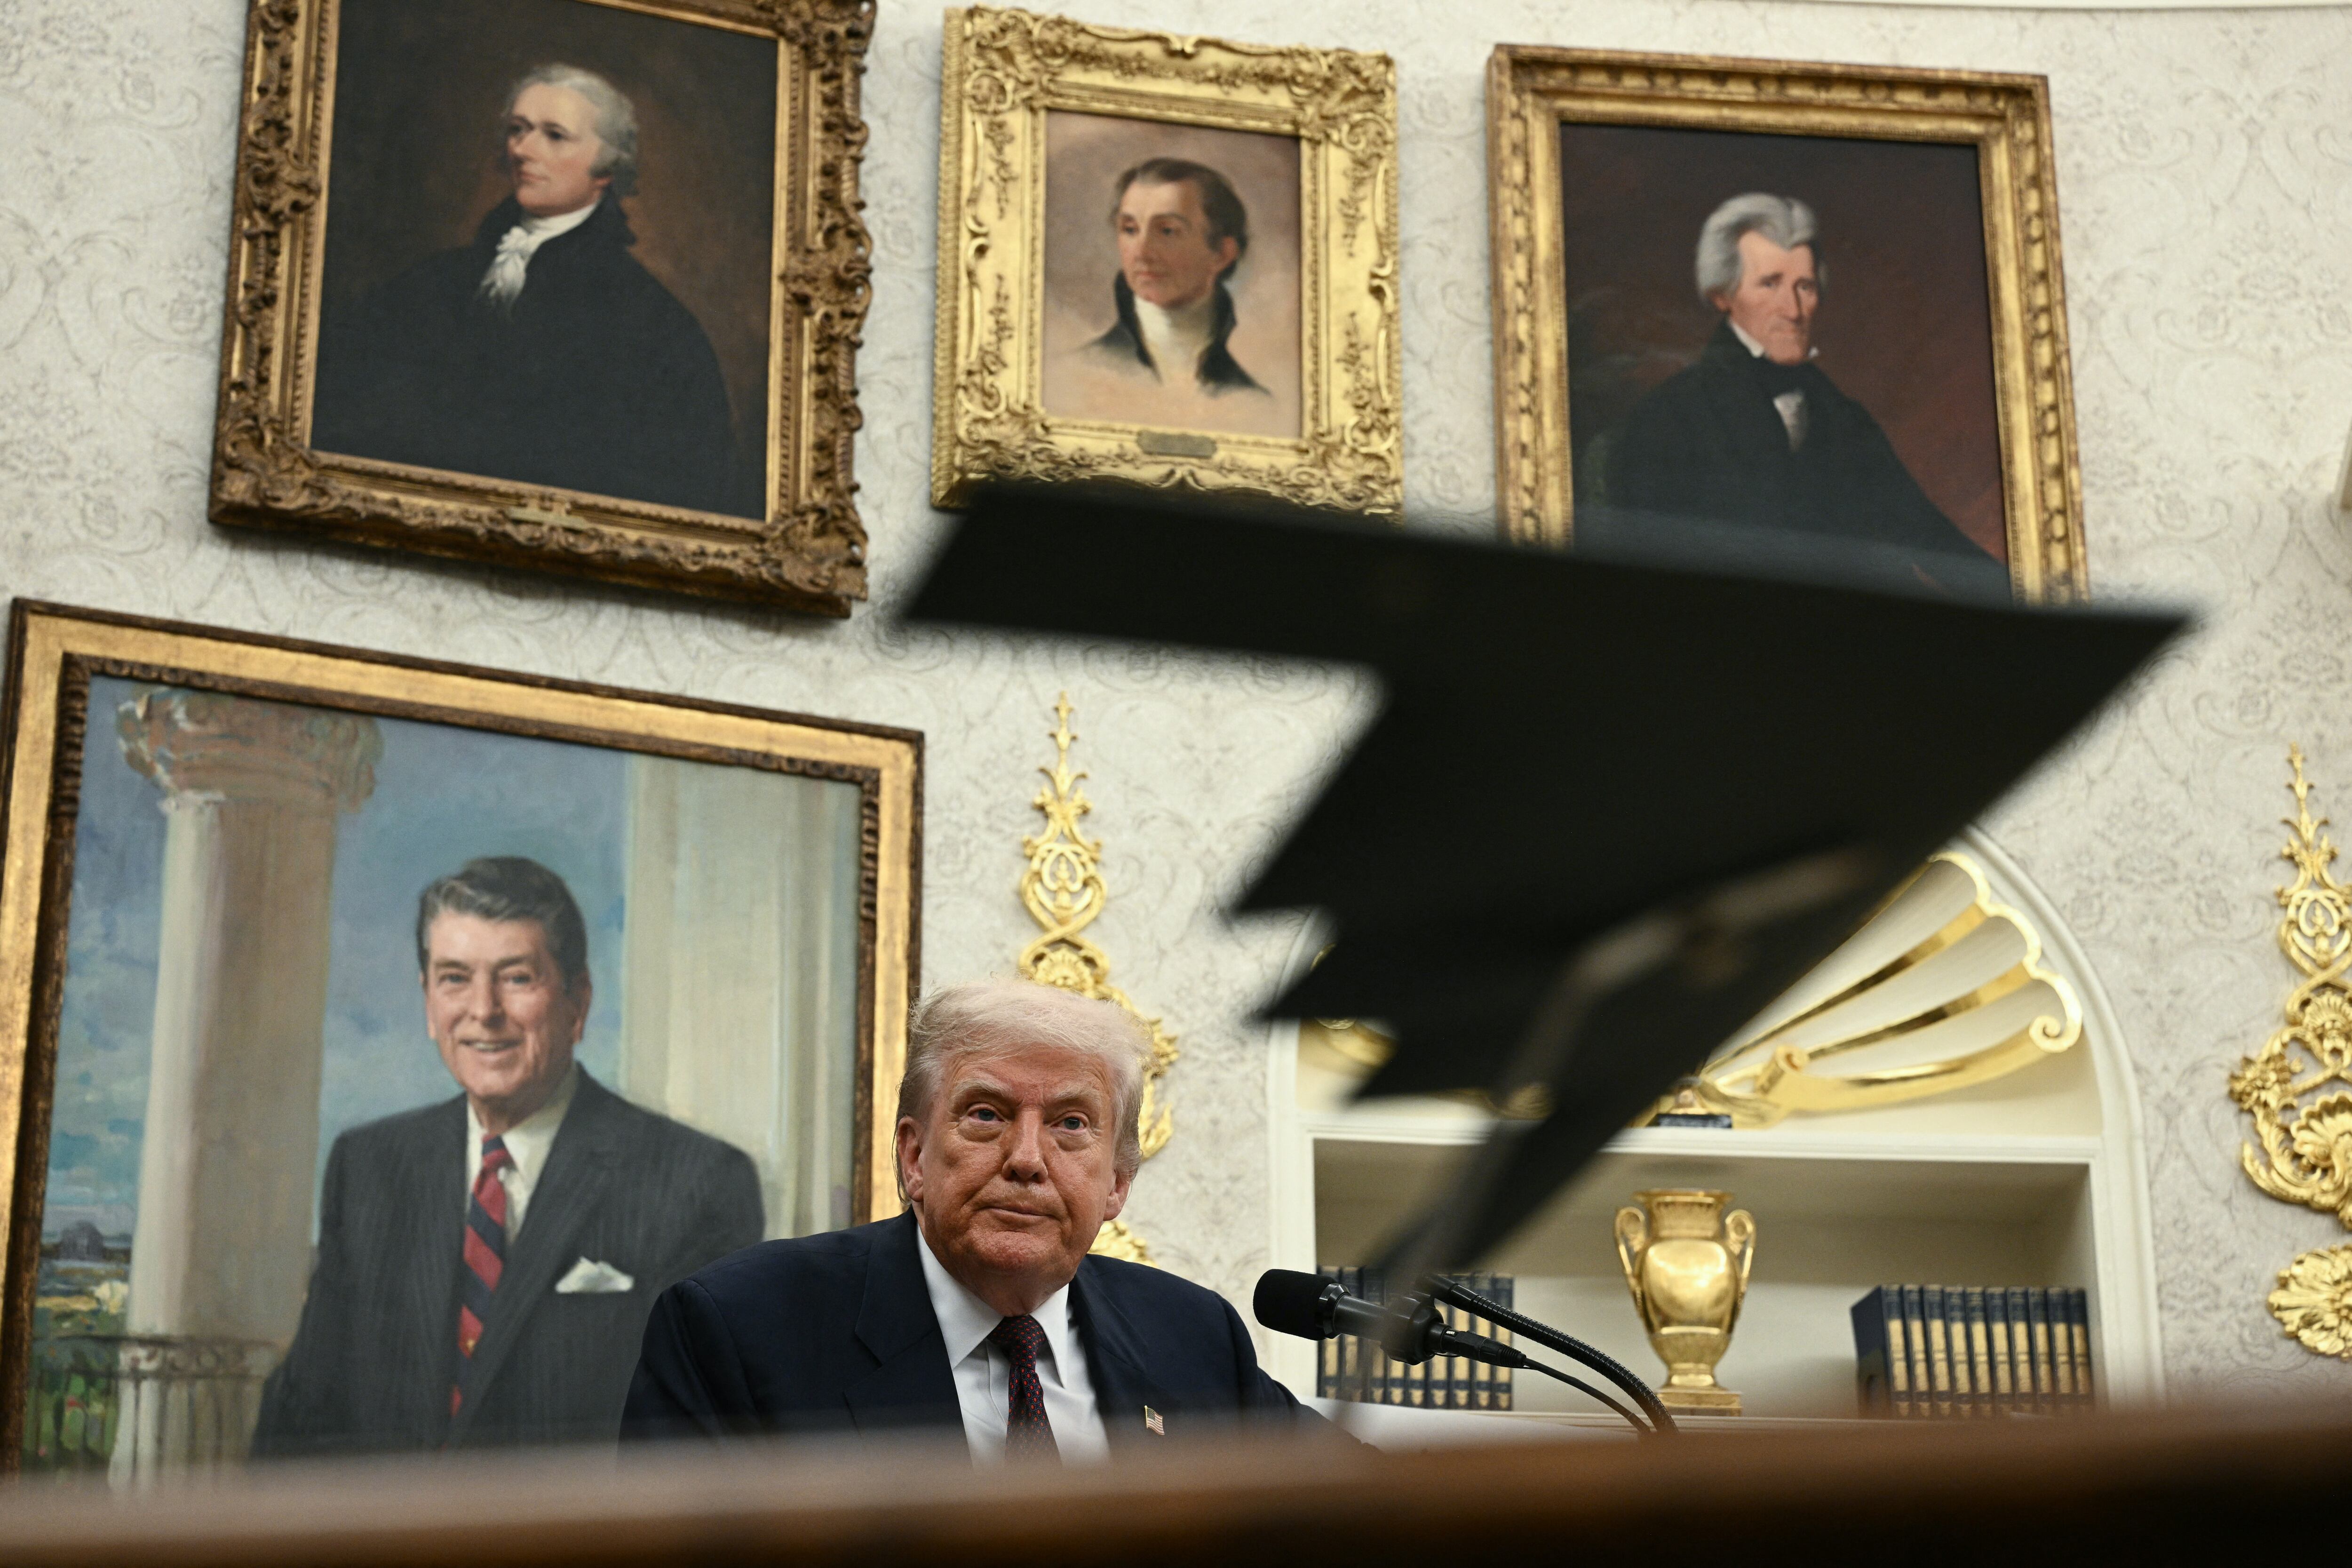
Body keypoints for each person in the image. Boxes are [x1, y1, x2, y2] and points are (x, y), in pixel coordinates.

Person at [624, 978, 1327, 1456]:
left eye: (1071, 1123)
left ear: (1117, 1183)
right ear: (914, 1156)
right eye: (986, 1114)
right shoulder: (737, 1328)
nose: (1026, 1158)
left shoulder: (1194, 1339)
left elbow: (1366, 1508)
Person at [252, 857, 763, 1455]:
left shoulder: (698, 1182)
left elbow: (698, 1451)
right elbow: (301, 1418)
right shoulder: (368, 1168)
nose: (483, 1011)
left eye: (516, 978)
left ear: (578, 1002)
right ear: (427, 1001)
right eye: (454, 978)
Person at [310, 64, 741, 515]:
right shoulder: (438, 279)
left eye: (554, 135)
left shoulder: (651, 322)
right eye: (518, 130)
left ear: (607, 168)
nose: (523, 149)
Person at [1601, 192, 2010, 598]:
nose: (1794, 310)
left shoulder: (1842, 416)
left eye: (1806, 287)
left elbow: (1925, 532)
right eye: (1770, 284)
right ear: (1722, 295)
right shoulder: (1667, 419)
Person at [1080, 159, 1267, 398]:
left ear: (1222, 254)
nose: (1142, 252)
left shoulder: (1250, 400)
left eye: (1167, 231)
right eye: (1130, 230)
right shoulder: (1079, 372)